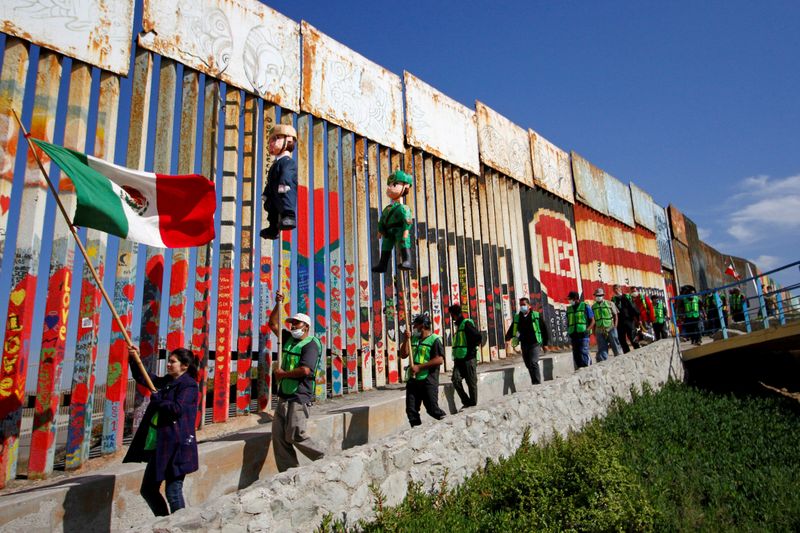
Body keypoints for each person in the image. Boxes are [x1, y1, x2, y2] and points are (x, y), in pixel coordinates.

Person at [124, 347, 199, 516]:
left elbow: (177, 409)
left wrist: (159, 399)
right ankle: (164, 521)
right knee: (148, 489)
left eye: (173, 362)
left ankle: (180, 525)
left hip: (178, 446)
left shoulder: (189, 385)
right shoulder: (167, 382)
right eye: (169, 361)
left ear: (185, 366)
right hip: (162, 445)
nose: (169, 364)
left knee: (173, 491)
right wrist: (135, 359)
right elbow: (145, 378)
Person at [268, 292, 326, 471]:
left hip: (299, 396)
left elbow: (305, 370)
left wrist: (282, 375)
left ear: (306, 326)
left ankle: (323, 458)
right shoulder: (288, 339)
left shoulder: (311, 344)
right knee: (279, 437)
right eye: (291, 323)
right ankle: (289, 471)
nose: (293, 326)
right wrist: (279, 303)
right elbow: (273, 324)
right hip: (284, 395)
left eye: (296, 323)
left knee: (295, 434)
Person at [401, 313, 446, 427]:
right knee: (411, 410)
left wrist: (419, 367)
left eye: (415, 326)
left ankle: (447, 423)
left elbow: (439, 360)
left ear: (422, 326)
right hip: (413, 379)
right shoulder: (414, 339)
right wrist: (406, 340)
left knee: (432, 409)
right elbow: (403, 354)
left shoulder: (435, 340)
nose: (414, 328)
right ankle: (416, 431)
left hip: (428, 379)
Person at [260, 124, 298, 240]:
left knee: (285, 200)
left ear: (289, 140)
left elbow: (287, 173)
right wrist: (266, 193)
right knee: (272, 209)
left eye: (275, 139)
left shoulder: (287, 162)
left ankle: (289, 217)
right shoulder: (275, 164)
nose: (271, 143)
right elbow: (270, 181)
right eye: (270, 140)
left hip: (284, 189)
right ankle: (273, 228)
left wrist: (284, 184)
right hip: (274, 193)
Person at [373, 170, 414, 272]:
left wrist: (406, 230)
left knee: (403, 242)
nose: (389, 188)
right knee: (386, 245)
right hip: (388, 231)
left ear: (406, 187)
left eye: (394, 185)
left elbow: (407, 219)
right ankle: (382, 264)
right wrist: (380, 230)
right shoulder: (387, 208)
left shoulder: (403, 208)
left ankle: (407, 261)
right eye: (389, 185)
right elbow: (382, 220)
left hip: (399, 229)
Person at [504, 297, 549, 384]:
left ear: (529, 306)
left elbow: (544, 330)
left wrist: (545, 344)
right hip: (524, 344)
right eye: (520, 305)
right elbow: (512, 328)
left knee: (533, 362)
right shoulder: (518, 317)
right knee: (528, 364)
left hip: (534, 343)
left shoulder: (536, 315)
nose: (522, 307)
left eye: (524, 305)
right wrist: (507, 338)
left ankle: (537, 383)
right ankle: (534, 381)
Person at [449, 304, 480, 408]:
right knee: (456, 379)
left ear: (454, 315)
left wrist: (470, 350)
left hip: (468, 358)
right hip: (459, 359)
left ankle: (473, 404)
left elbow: (478, 337)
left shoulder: (466, 324)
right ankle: (467, 402)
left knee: (471, 382)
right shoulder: (459, 325)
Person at [590, 288, 622, 361]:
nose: (598, 297)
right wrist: (593, 330)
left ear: (603, 295)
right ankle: (602, 360)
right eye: (597, 295)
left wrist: (615, 326)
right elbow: (593, 319)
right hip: (599, 328)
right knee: (602, 345)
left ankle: (619, 357)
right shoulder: (593, 307)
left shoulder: (610, 303)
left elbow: (615, 315)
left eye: (600, 295)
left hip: (610, 327)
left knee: (614, 342)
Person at [567, 291, 594, 369]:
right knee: (576, 354)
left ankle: (589, 369)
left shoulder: (585, 306)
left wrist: (588, 329)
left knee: (584, 352)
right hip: (574, 335)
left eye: (570, 299)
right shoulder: (569, 309)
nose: (569, 300)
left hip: (584, 334)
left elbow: (592, 320)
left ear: (575, 299)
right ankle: (580, 370)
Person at [612, 284, 640, 353]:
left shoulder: (627, 296)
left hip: (629, 320)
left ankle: (638, 350)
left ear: (620, 288)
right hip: (620, 322)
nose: (616, 290)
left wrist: (637, 318)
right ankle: (627, 352)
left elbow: (633, 307)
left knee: (632, 336)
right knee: (621, 339)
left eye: (617, 288)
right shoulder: (613, 299)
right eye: (614, 289)